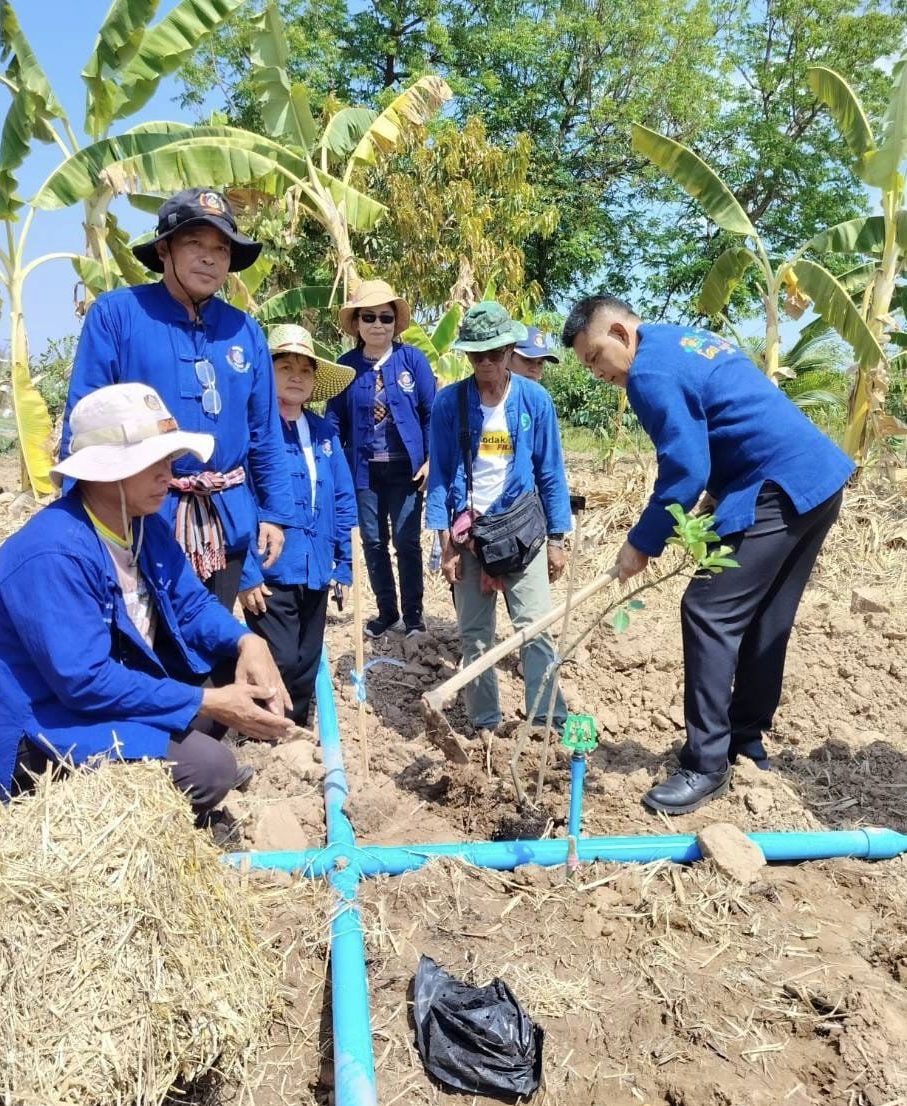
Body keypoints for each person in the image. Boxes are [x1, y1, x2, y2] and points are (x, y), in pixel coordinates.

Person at [562, 296, 853, 816]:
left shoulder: (649, 374)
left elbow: (685, 472)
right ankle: (744, 742)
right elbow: (727, 422)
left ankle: (706, 764)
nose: (596, 373)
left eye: (594, 357)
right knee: (764, 615)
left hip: (777, 484)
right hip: (815, 479)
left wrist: (641, 543)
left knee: (708, 609)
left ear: (621, 334)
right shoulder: (679, 341)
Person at [0, 383, 293, 830]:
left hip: (108, 701)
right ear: (104, 472)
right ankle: (68, 815)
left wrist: (247, 641)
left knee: (232, 666)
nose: (169, 473)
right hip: (50, 727)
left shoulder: (144, 527)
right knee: (211, 770)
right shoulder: (53, 552)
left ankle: (160, 783)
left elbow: (192, 606)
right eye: (153, 463)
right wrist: (207, 701)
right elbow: (83, 683)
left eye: (168, 460)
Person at [66, 187, 294, 621]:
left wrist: (276, 514)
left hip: (226, 518)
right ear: (164, 249)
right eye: (195, 243)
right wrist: (78, 518)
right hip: (143, 516)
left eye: (221, 248)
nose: (210, 257)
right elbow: (83, 424)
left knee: (210, 641)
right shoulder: (118, 315)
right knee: (144, 646)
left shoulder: (245, 331)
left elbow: (264, 432)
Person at [426, 301, 572, 748]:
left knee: (536, 630)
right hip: (470, 536)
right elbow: (440, 475)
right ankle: (485, 723)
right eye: (477, 355)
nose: (486, 363)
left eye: (494, 353)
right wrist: (445, 543)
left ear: (510, 350)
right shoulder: (450, 403)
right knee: (475, 638)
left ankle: (547, 720)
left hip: (524, 532)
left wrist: (557, 538)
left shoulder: (534, 401)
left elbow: (550, 471)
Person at [251, 325, 356, 726]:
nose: (296, 376)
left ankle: (299, 727)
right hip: (272, 567)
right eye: (285, 367)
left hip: (318, 565)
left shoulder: (325, 433)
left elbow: (343, 499)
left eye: (306, 370)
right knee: (280, 655)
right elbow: (241, 502)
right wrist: (246, 570)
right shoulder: (255, 432)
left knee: (308, 655)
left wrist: (344, 561)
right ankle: (261, 726)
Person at [326, 280, 436, 637]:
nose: (377, 324)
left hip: (407, 471)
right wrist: (331, 467)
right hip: (363, 472)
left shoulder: (412, 361)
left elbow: (431, 413)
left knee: (406, 541)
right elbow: (333, 422)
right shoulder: (345, 367)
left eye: (385, 318)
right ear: (357, 324)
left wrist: (431, 459)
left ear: (395, 322)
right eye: (369, 317)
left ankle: (414, 615)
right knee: (373, 542)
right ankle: (387, 611)